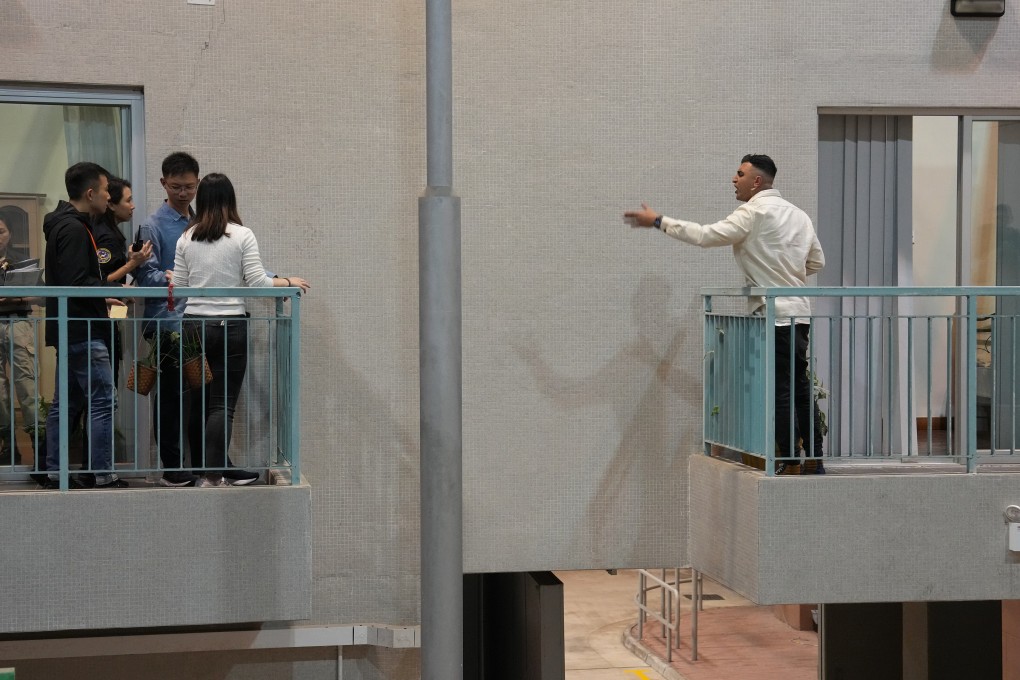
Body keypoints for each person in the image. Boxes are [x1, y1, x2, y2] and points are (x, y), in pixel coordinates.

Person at [624, 153, 827, 475]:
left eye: (740, 174)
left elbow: (705, 236)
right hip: (800, 313)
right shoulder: (798, 214)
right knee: (801, 389)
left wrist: (659, 221)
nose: (734, 179)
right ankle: (814, 458)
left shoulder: (753, 212)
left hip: (774, 315)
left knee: (782, 391)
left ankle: (789, 459)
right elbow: (817, 263)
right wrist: (787, 271)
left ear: (756, 181)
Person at [172, 173, 309, 487]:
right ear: (230, 199)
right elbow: (258, 282)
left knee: (198, 400)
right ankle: (213, 473)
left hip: (193, 325)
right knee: (221, 403)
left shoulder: (186, 237)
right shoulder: (242, 235)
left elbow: (178, 287)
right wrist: (287, 282)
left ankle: (200, 471)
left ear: (201, 199)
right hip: (229, 325)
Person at [42, 162, 128, 489]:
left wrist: (103, 298)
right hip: (84, 331)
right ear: (90, 193)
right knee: (104, 399)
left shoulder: (64, 226)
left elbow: (73, 281)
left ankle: (55, 472)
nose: (109, 196)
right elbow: (79, 283)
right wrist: (107, 293)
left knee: (67, 404)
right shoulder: (76, 229)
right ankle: (104, 475)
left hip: (71, 328)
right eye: (106, 191)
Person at [91, 177, 153, 383]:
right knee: (105, 385)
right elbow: (101, 279)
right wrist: (132, 264)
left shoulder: (111, 232)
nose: (133, 206)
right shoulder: (105, 236)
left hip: (110, 314)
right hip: (100, 315)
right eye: (128, 200)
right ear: (110, 203)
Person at [0, 216, 40, 467]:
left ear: (10, 234)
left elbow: (42, 295)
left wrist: (15, 297)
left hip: (18, 323)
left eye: (1, 231)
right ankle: (8, 447)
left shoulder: (21, 260)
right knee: (0, 394)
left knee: (27, 388)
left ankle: (40, 449)